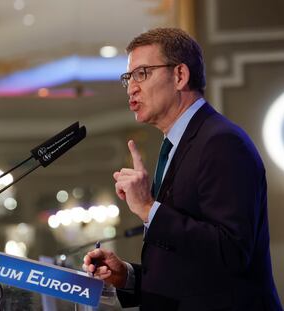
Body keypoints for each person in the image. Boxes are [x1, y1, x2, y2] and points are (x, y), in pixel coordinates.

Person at [82, 28, 283, 311]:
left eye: (142, 73)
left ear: (179, 76)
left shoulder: (222, 142)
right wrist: (127, 276)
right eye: (128, 77)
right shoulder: (178, 144)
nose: (131, 88)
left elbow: (232, 253)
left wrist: (148, 209)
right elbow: (189, 273)